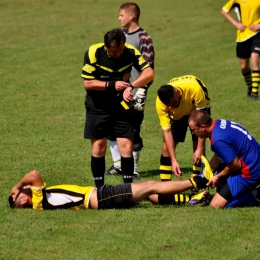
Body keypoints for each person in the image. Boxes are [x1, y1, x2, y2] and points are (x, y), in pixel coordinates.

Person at [81, 28, 154, 188]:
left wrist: (131, 86)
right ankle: (99, 190)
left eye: (120, 49)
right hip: (97, 106)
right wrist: (111, 85)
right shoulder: (94, 52)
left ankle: (128, 190)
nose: (117, 54)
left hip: (121, 105)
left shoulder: (130, 52)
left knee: (127, 147)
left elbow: (149, 73)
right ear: (106, 47)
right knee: (98, 146)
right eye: (113, 51)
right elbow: (88, 83)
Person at [8, 161, 212, 210]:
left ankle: (192, 199)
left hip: (101, 196)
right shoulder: (37, 202)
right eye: (23, 192)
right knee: (150, 186)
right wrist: (18, 186)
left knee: (149, 193)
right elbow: (33, 174)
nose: (26, 188)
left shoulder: (38, 200)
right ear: (24, 199)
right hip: (102, 197)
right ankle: (198, 181)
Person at [105, 2, 155, 178]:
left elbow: (149, 69)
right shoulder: (121, 37)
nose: (119, 18)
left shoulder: (144, 38)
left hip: (134, 94)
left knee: (133, 130)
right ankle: (118, 164)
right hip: (116, 93)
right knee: (111, 128)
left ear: (131, 16)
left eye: (121, 15)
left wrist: (141, 91)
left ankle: (133, 168)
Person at [188, 110, 260, 208]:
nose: (193, 133)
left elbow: (235, 164)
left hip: (250, 173)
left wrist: (217, 177)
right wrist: (207, 175)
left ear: (203, 127)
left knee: (215, 205)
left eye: (193, 129)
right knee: (220, 190)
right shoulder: (218, 125)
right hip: (255, 163)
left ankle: (256, 193)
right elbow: (219, 156)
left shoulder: (218, 139)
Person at [156, 75, 211, 181]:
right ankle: (165, 188)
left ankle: (198, 184)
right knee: (166, 148)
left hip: (196, 111)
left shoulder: (195, 90)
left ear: (177, 92)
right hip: (177, 116)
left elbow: (202, 123)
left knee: (198, 146)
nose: (171, 107)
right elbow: (167, 132)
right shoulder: (160, 103)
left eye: (174, 103)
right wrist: (173, 160)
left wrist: (199, 149)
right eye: (169, 106)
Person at [221, 0, 260, 100]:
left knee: (255, 59)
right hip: (242, 36)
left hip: (257, 34)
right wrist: (236, 24)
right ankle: (250, 87)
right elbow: (224, 11)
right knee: (244, 67)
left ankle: (255, 93)